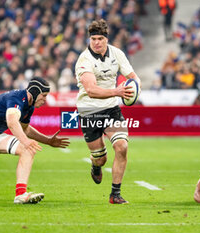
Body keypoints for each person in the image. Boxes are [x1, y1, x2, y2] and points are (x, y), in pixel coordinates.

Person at [75, 19, 141, 204]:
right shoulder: (84, 60)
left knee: (122, 146)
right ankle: (96, 166)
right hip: (89, 111)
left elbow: (133, 76)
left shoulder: (117, 53)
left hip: (111, 109)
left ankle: (115, 194)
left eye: (100, 39)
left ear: (106, 39)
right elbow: (91, 90)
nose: (96, 42)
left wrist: (136, 87)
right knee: (101, 160)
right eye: (93, 39)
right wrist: (118, 91)